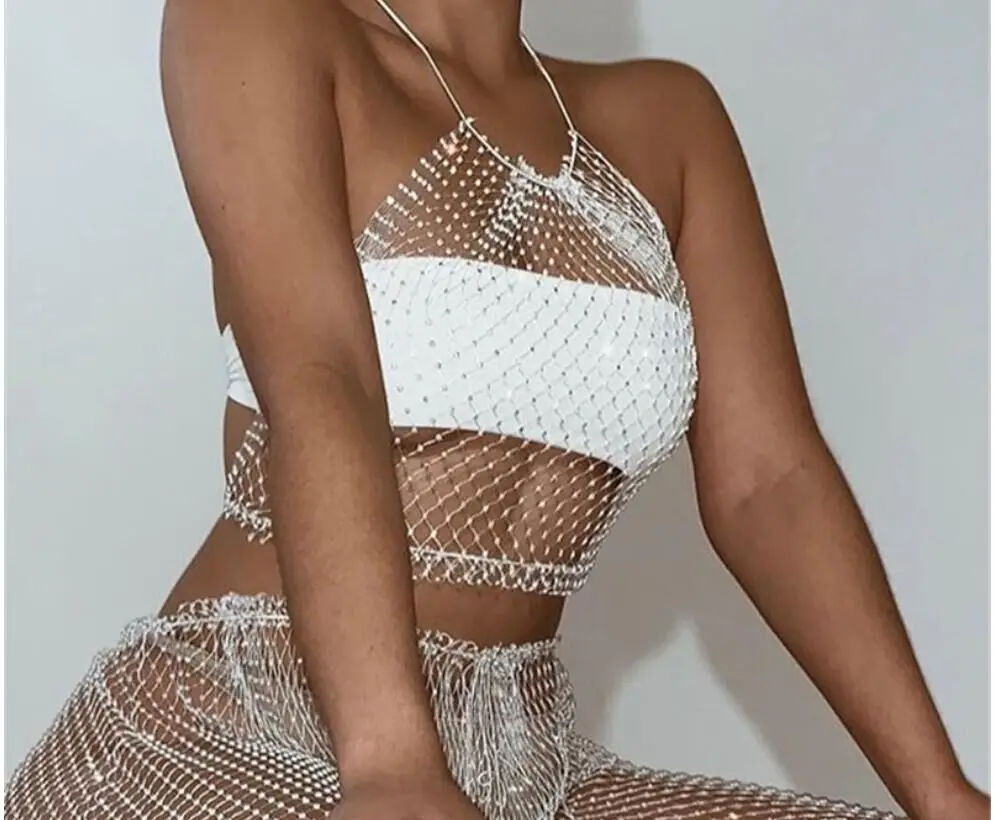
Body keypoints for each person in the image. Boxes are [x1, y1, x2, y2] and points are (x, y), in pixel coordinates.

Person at [4, 1, 988, 818]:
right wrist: (390, 758)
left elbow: (770, 482)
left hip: (525, 754)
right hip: (227, 722)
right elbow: (321, 377)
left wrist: (943, 796)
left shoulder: (670, 121)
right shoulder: (263, 24)